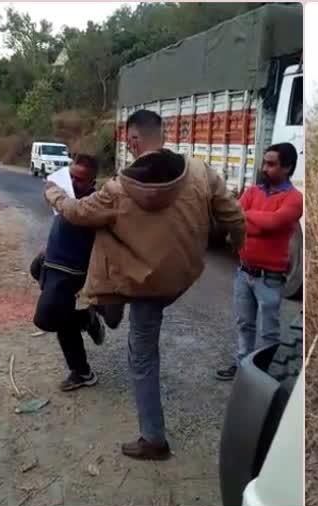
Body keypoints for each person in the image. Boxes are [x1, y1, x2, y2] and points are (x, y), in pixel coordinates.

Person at [44, 109, 245, 460]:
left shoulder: (117, 189)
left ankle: (154, 439)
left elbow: (77, 213)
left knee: (143, 356)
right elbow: (233, 215)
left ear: (134, 141)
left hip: (141, 286)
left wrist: (55, 197)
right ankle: (107, 305)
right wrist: (239, 247)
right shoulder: (200, 171)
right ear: (161, 135)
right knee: (132, 286)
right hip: (180, 278)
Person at [216, 142, 303, 381]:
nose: (265, 168)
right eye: (265, 162)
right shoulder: (253, 191)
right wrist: (256, 223)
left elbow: (274, 223)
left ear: (287, 168)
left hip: (270, 278)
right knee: (244, 324)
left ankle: (264, 376)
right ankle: (243, 366)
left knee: (269, 332)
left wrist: (248, 219)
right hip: (244, 273)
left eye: (272, 164)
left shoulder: (295, 199)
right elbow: (234, 220)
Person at [32, 154, 106, 392]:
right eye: (71, 176)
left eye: (81, 180)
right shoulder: (67, 195)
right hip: (53, 261)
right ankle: (82, 371)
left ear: (92, 182)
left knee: (46, 318)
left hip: (70, 270)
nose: (74, 182)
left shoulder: (91, 204)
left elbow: (77, 216)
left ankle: (84, 318)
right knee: (62, 315)